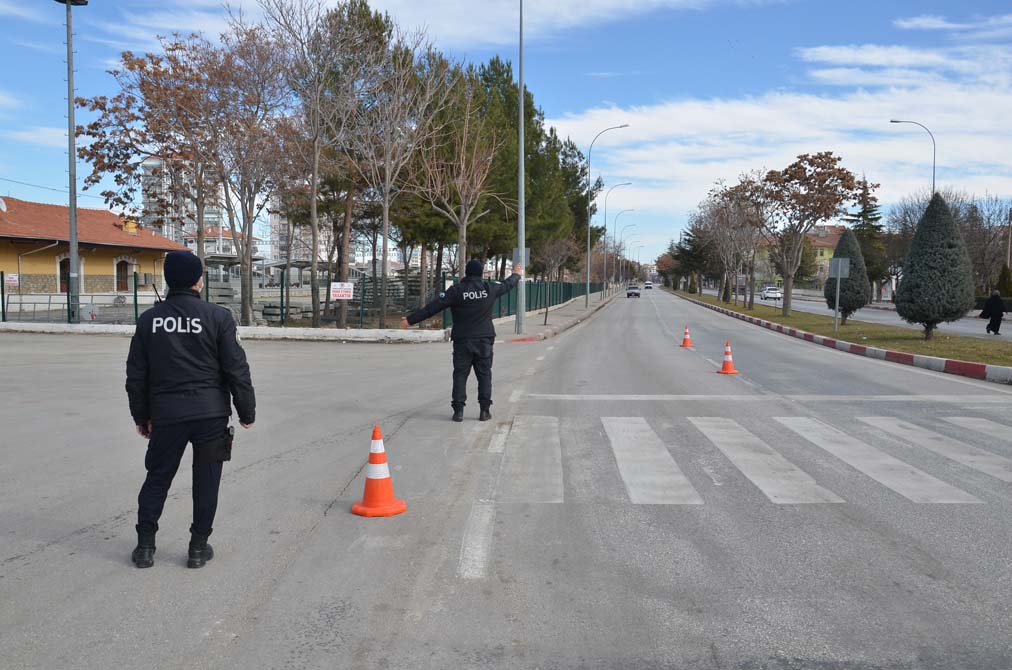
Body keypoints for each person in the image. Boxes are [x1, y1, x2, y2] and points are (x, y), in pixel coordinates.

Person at [126, 251, 256, 569]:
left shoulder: (148, 320)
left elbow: (136, 375)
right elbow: (236, 368)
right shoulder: (218, 317)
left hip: (166, 415)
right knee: (207, 481)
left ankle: (145, 547)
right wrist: (246, 410)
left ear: (168, 279)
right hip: (210, 415)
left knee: (157, 478)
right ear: (199, 280)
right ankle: (198, 548)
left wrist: (141, 416)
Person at [401, 259, 523, 422]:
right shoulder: (489, 289)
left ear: (466, 272)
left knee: (460, 375)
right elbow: (507, 285)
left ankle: (458, 412)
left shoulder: (456, 291)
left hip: (463, 341)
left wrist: (410, 320)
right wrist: (516, 274)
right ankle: (484, 411)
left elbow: (433, 307)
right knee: (484, 375)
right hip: (484, 340)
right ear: (480, 273)